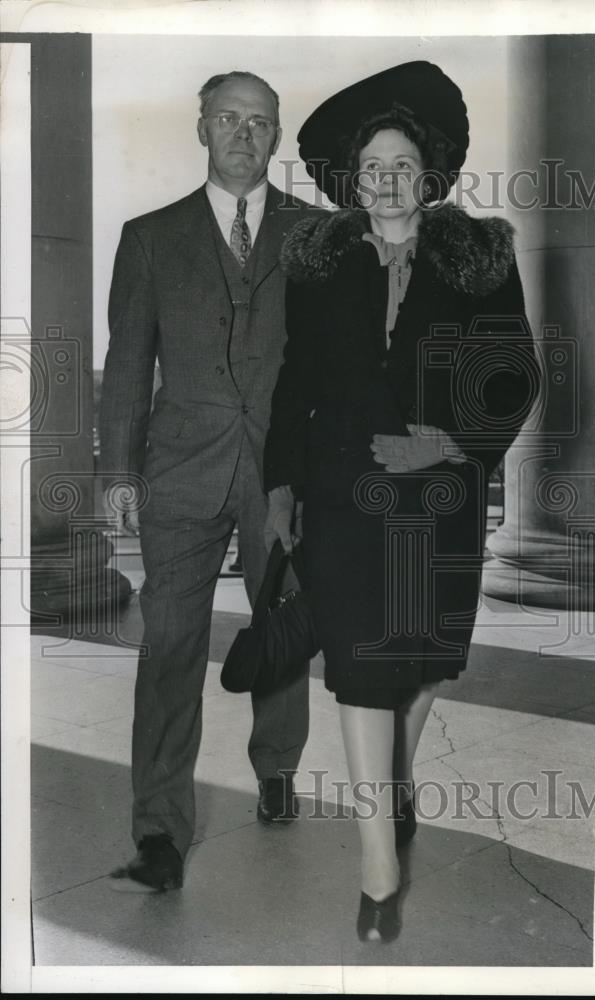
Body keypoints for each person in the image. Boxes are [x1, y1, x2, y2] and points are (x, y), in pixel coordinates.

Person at [263, 61, 540, 941]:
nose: (385, 179)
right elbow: (291, 383)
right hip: (343, 499)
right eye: (369, 165)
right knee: (356, 666)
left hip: (440, 501)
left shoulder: (481, 258)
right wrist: (279, 485)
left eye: (401, 163)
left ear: (430, 175)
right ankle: (378, 868)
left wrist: (451, 441)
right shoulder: (318, 265)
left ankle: (398, 771)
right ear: (351, 180)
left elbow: (515, 373)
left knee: (420, 665)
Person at [100, 70, 315, 892]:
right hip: (180, 472)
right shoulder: (150, 237)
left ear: (277, 135)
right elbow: (127, 362)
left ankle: (277, 766)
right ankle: (158, 829)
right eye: (227, 118)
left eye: (259, 121)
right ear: (200, 129)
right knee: (169, 645)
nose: (242, 133)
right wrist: (118, 469)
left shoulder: (318, 234)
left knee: (282, 629)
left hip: (283, 475)